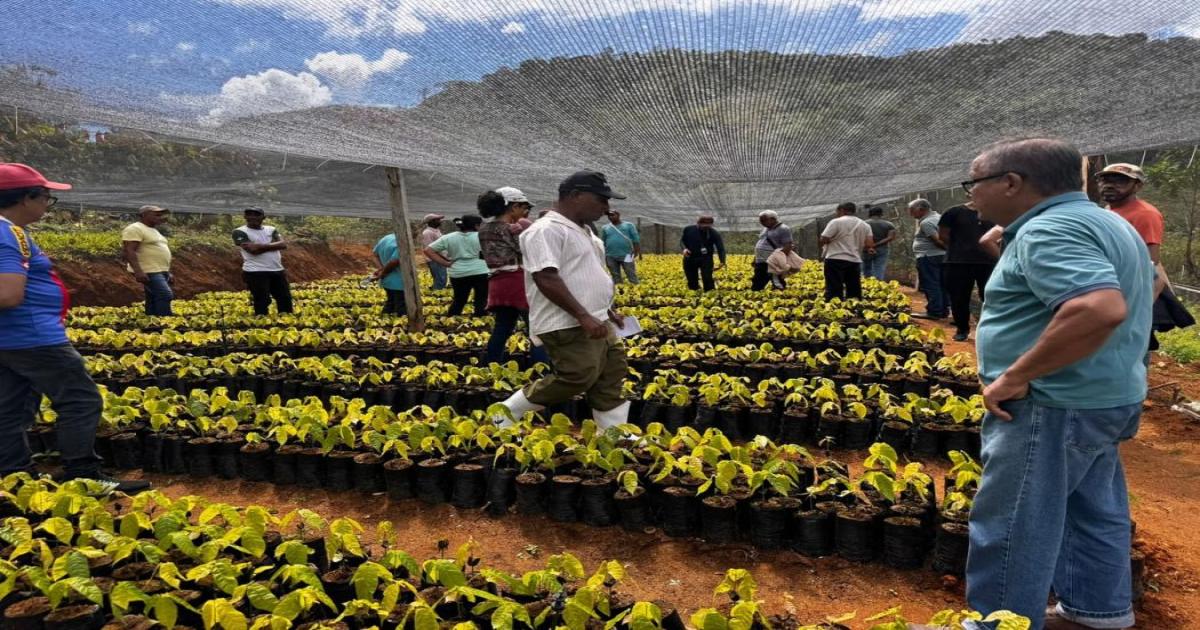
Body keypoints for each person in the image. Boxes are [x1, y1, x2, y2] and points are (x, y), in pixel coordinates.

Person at [963, 138, 1152, 630]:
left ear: (1011, 182)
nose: (971, 196)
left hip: (1053, 401)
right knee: (1093, 510)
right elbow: (1136, 286)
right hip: (1104, 395)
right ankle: (1098, 613)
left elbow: (1097, 307)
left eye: (974, 184)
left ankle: (997, 625)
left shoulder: (1049, 229)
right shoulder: (1106, 220)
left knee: (1012, 523)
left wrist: (1015, 375)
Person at [0, 164, 149, 493]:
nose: (46, 205)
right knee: (80, 400)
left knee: (11, 407)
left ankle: (15, 476)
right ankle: (84, 475)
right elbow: (8, 294)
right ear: (26, 198)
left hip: (10, 340)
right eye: (46, 198)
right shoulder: (7, 233)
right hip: (33, 338)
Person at [496, 170, 630, 431]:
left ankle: (612, 435)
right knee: (577, 376)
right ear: (576, 195)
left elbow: (586, 273)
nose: (606, 207)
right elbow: (546, 277)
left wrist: (608, 310)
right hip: (567, 321)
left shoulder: (584, 231)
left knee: (611, 374)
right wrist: (582, 315)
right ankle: (505, 414)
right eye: (601, 200)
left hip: (597, 317)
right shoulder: (546, 230)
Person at [1097, 163, 1171, 355]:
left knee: (1131, 345)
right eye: (1105, 179)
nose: (1109, 185)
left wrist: (1138, 305)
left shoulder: (1145, 214)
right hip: (1112, 286)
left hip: (1134, 288)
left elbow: (1150, 263)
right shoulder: (1108, 211)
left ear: (1137, 186)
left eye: (1120, 180)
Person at [477, 187, 550, 366]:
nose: (524, 212)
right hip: (517, 281)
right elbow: (529, 252)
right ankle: (542, 370)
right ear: (513, 206)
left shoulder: (484, 228)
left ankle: (490, 366)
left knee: (502, 327)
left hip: (496, 283)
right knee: (536, 329)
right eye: (523, 207)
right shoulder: (512, 229)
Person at [938, 202, 997, 341]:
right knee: (959, 297)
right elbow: (943, 235)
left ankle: (991, 330)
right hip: (958, 261)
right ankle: (962, 329)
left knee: (990, 296)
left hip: (988, 261)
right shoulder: (953, 212)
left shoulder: (995, 210)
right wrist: (960, 247)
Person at [232, 207, 293, 316]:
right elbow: (253, 250)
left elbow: (283, 245)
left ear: (263, 217)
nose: (252, 217)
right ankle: (262, 324)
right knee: (262, 300)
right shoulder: (239, 232)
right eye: (249, 214)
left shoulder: (271, 229)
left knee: (285, 299)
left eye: (256, 215)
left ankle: (285, 322)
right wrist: (273, 245)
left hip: (277, 269)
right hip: (255, 271)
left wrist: (259, 246)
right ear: (245, 217)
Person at [425, 215, 490, 317]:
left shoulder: (449, 237)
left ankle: (453, 318)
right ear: (477, 226)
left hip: (458, 273)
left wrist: (445, 263)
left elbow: (428, 250)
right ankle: (480, 318)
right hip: (481, 272)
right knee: (481, 299)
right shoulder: (482, 237)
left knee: (459, 299)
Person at [121, 205, 173, 316]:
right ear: (144, 215)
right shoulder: (135, 228)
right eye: (156, 214)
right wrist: (138, 271)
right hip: (149, 270)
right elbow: (129, 250)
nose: (160, 217)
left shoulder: (153, 230)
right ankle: (165, 322)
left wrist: (167, 272)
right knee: (165, 295)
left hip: (159, 270)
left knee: (153, 296)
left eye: (160, 214)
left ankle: (152, 323)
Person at [818, 202, 874, 300]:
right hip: (854, 260)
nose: (837, 214)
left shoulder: (836, 222)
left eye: (837, 212)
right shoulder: (865, 225)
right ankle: (854, 308)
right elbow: (869, 244)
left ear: (842, 210)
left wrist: (829, 241)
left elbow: (823, 239)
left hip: (835, 258)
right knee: (854, 288)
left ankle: (836, 308)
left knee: (834, 288)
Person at [908, 199, 947, 319]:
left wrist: (949, 248)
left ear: (921, 209)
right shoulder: (938, 217)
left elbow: (937, 241)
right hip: (940, 256)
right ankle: (943, 310)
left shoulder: (926, 223)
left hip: (928, 256)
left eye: (912, 210)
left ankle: (934, 311)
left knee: (931, 283)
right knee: (942, 283)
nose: (910, 214)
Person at [680, 214, 726, 291]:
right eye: (704, 224)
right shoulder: (688, 229)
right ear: (698, 223)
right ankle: (694, 294)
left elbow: (720, 248)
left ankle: (709, 294)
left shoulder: (714, 233)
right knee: (691, 279)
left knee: (707, 278)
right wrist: (684, 249)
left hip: (706, 258)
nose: (706, 227)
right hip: (690, 257)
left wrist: (722, 261)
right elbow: (682, 241)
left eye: (709, 225)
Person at [752, 210, 793, 290]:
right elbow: (761, 242)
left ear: (773, 219)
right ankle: (756, 295)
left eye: (763, 220)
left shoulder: (784, 229)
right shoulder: (765, 229)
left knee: (777, 281)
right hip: (761, 261)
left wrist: (778, 260)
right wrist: (755, 258)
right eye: (760, 220)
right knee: (757, 280)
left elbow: (788, 246)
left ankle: (782, 298)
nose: (761, 222)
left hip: (772, 261)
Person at [600, 209, 641, 284]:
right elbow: (603, 241)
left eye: (612, 215)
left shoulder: (629, 225)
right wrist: (603, 254)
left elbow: (636, 239)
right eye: (609, 215)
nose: (610, 217)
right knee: (615, 275)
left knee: (631, 272)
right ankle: (621, 292)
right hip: (610, 256)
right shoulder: (605, 228)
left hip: (628, 254)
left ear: (618, 215)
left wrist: (636, 251)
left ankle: (636, 290)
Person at [371, 231, 407, 316]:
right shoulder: (402, 242)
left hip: (387, 281)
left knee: (391, 303)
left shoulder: (386, 238)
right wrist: (383, 272)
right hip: (398, 281)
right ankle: (400, 326)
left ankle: (384, 324)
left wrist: (381, 268)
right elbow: (394, 261)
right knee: (401, 307)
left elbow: (375, 255)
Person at [863, 206, 897, 280]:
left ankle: (866, 285)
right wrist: (876, 244)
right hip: (882, 249)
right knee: (879, 267)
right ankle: (878, 285)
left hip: (866, 248)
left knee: (866, 267)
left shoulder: (863, 223)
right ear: (881, 214)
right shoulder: (889, 224)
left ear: (869, 214)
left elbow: (860, 236)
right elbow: (891, 237)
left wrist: (870, 245)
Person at [419, 214, 448, 290]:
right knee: (440, 280)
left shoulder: (437, 231)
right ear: (431, 221)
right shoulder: (427, 233)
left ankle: (438, 294)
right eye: (437, 220)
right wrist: (443, 258)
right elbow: (429, 249)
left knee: (442, 279)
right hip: (435, 260)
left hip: (440, 259)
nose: (440, 221)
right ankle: (437, 296)